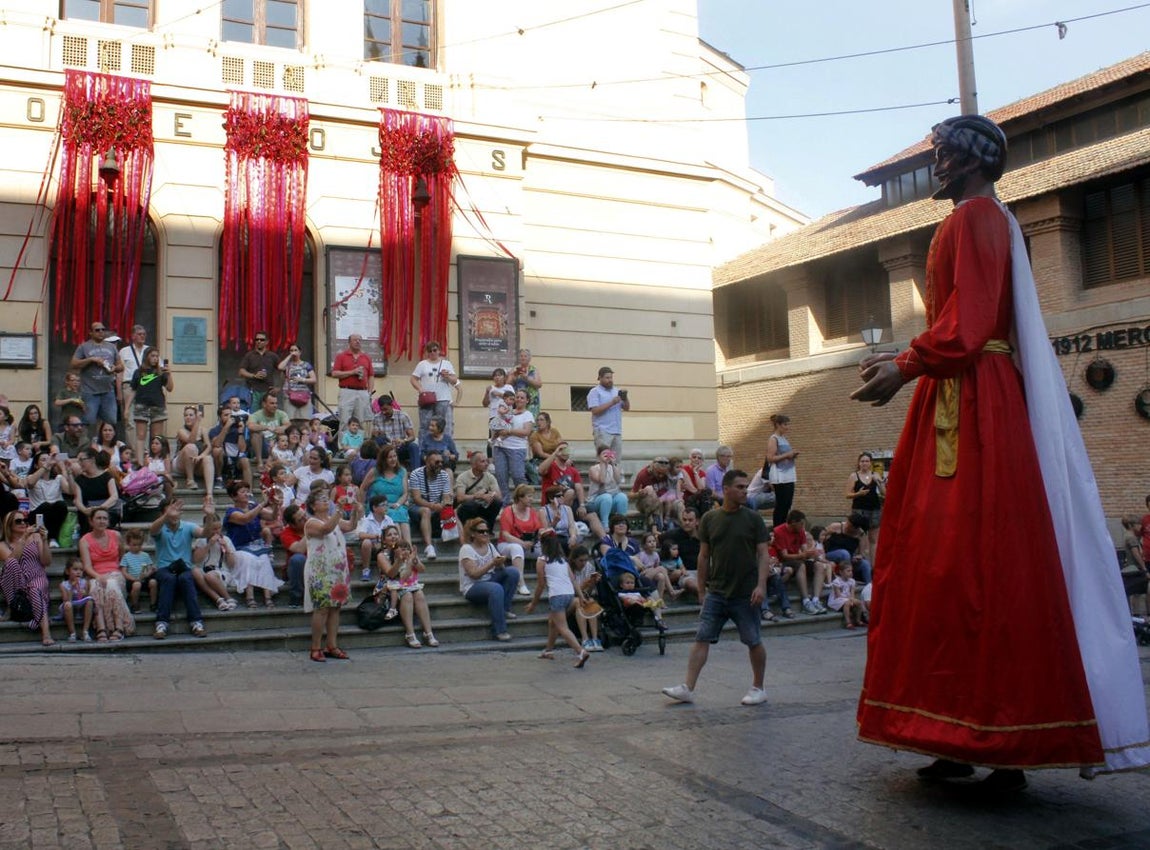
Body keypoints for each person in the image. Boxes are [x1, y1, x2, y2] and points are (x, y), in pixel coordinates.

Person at [850, 114, 1150, 785]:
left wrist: (907, 365)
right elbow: (961, 321)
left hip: (971, 400)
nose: (937, 165)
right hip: (962, 390)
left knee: (971, 566)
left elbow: (972, 321)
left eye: (944, 154)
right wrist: (907, 358)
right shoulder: (978, 220)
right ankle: (968, 735)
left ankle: (993, 737)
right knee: (957, 569)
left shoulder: (977, 218)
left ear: (970, 161)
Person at [662, 469, 770, 707]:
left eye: (746, 487)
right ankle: (688, 687)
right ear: (726, 489)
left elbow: (764, 554)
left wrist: (761, 585)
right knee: (702, 637)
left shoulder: (753, 519)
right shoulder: (710, 519)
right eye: (740, 487)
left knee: (753, 640)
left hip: (746, 592)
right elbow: (703, 556)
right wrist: (702, 589)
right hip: (717, 591)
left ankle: (758, 687)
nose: (745, 491)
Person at [303, 487, 358, 662]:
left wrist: (355, 510)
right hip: (320, 570)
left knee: (336, 607)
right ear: (313, 506)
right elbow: (326, 529)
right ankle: (315, 647)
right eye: (321, 499)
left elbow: (350, 526)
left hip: (337, 569)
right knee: (322, 608)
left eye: (327, 499)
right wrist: (339, 510)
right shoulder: (311, 523)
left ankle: (332, 645)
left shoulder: (333, 518)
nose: (326, 501)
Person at [526, 531, 590, 667]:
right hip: (569, 593)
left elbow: (541, 585)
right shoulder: (563, 561)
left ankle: (580, 652)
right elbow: (573, 580)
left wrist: (533, 603)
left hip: (556, 595)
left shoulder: (542, 560)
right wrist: (581, 596)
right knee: (553, 622)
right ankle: (548, 650)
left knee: (562, 628)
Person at [148, 498, 207, 639]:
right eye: (170, 510)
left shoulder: (188, 526)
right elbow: (152, 530)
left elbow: (205, 533)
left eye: (177, 510)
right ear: (163, 513)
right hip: (164, 568)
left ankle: (196, 622)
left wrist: (209, 516)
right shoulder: (160, 526)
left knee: (186, 578)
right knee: (169, 579)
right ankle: (162, 623)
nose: (174, 514)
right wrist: (166, 516)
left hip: (184, 567)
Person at [458, 517, 520, 642]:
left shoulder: (490, 546)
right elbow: (474, 574)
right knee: (496, 588)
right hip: (472, 586)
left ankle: (504, 609)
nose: (485, 533)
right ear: (473, 534)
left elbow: (500, 568)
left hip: (489, 580)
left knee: (513, 572)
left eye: (487, 531)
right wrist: (492, 563)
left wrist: (501, 563)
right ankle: (499, 630)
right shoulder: (466, 549)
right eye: (481, 531)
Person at [0, 509, 55, 645]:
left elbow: (46, 562)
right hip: (17, 582)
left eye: (25, 520)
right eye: (18, 521)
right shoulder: (3, 545)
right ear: (9, 525)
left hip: (36, 577)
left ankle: (46, 632)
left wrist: (44, 540)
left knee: (35, 590)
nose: (23, 523)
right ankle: (13, 605)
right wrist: (23, 539)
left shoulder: (36, 537)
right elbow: (12, 561)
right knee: (11, 563)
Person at [79, 507, 133, 642]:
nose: (102, 521)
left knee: (112, 585)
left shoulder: (116, 535)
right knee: (95, 587)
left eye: (105, 518)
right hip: (95, 574)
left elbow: (122, 558)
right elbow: (87, 566)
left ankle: (119, 627)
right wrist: (98, 576)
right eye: (98, 518)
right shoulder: (84, 540)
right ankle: (101, 628)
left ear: (108, 521)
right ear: (91, 521)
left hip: (115, 573)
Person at [378, 537, 438, 648]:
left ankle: (428, 633)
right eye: (401, 548)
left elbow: (422, 569)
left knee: (419, 594)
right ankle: (410, 634)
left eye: (406, 548)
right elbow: (396, 576)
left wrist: (415, 560)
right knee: (407, 595)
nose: (405, 551)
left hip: (410, 586)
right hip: (393, 590)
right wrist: (401, 561)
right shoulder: (385, 556)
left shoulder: (411, 557)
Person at [70, 321, 123, 430]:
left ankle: (105, 441)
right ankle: (88, 441)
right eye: (97, 330)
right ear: (91, 332)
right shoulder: (84, 347)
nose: (101, 332)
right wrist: (91, 360)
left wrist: (114, 368)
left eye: (103, 329)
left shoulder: (111, 347)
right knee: (88, 422)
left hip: (108, 391)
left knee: (111, 422)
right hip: (90, 392)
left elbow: (121, 366)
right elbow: (73, 364)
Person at [774, 510, 827, 615]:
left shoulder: (801, 531)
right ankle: (806, 601)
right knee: (801, 565)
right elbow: (784, 556)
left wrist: (811, 553)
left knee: (819, 566)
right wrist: (803, 555)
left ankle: (816, 600)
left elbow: (804, 550)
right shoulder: (779, 531)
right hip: (784, 562)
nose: (803, 526)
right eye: (801, 524)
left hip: (798, 559)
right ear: (793, 522)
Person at [499, 483, 544, 597]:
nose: (532, 499)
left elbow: (538, 529)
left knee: (548, 550)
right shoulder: (508, 511)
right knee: (517, 548)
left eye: (532, 496)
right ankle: (521, 583)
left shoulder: (532, 511)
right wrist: (522, 543)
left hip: (528, 545)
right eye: (529, 496)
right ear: (520, 497)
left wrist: (540, 535)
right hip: (507, 544)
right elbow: (506, 535)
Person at [410, 340, 459, 443]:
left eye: (435, 350)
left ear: (439, 351)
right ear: (427, 352)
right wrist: (420, 389)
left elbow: (455, 380)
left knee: (445, 425)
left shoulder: (446, 363)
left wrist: (447, 376)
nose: (432, 352)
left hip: (443, 398)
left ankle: (445, 448)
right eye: (430, 350)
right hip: (427, 399)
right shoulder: (422, 364)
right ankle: (424, 448)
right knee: (425, 425)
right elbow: (413, 379)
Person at [408, 449, 453, 562]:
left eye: (441, 462)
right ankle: (429, 546)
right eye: (437, 462)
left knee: (454, 511)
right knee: (426, 511)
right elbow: (417, 499)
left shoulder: (444, 475)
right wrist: (433, 506)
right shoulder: (416, 474)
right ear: (427, 462)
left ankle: (461, 543)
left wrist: (444, 504)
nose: (440, 464)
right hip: (417, 508)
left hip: (436, 506)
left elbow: (446, 497)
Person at [360, 445, 411, 542]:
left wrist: (398, 504)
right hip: (379, 506)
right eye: (390, 457)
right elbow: (362, 488)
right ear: (384, 459)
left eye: (395, 456)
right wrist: (362, 505)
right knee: (393, 514)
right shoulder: (375, 472)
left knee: (401, 512)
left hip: (397, 504)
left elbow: (405, 493)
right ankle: (398, 545)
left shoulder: (402, 471)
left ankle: (409, 547)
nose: (393, 459)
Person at [129, 347, 172, 460]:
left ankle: (155, 462)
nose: (155, 358)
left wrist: (169, 374)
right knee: (140, 435)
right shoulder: (138, 372)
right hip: (141, 405)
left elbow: (170, 388)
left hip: (157, 406)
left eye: (157, 356)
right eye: (152, 356)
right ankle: (140, 462)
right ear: (146, 357)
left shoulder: (160, 372)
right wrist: (126, 408)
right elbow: (133, 390)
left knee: (156, 438)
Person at [490, 389, 534, 500]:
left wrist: (509, 431)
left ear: (527, 400)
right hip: (500, 447)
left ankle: (523, 499)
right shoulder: (507, 411)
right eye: (517, 397)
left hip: (517, 448)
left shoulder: (528, 414)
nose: (519, 399)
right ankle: (505, 502)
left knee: (517, 475)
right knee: (501, 476)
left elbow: (526, 432)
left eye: (522, 398)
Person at [25, 452, 72, 547]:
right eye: (43, 460)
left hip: (54, 514)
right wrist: (46, 466)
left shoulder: (58, 478)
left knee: (61, 504)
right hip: (37, 515)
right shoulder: (31, 477)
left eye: (49, 459)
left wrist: (67, 471)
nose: (48, 462)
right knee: (46, 505)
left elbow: (70, 491)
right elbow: (30, 483)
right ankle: (46, 538)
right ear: (36, 465)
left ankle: (52, 538)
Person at [332, 333, 374, 438]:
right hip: (347, 391)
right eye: (355, 340)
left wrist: (369, 392)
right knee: (345, 421)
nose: (358, 342)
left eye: (359, 340)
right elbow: (335, 373)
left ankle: (358, 446)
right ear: (349, 342)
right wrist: (352, 372)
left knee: (360, 421)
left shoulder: (366, 357)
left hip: (362, 392)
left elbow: (371, 376)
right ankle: (344, 446)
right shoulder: (341, 356)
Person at [174, 406, 216, 504]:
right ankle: (190, 480)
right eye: (186, 415)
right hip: (181, 464)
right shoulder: (181, 431)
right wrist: (197, 422)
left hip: (196, 461)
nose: (188, 417)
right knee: (191, 447)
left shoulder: (203, 430)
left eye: (191, 415)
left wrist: (201, 456)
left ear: (195, 416)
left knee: (208, 458)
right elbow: (191, 441)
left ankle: (209, 494)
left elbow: (209, 447)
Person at [72, 449, 119, 535]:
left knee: (102, 518)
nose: (79, 463)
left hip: (106, 509)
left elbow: (114, 496)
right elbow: (77, 500)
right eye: (78, 460)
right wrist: (85, 510)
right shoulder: (79, 479)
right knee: (88, 519)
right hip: (87, 511)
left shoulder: (107, 476)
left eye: (82, 460)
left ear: (92, 459)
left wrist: (100, 508)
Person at [586, 366, 629, 460]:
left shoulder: (616, 391)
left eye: (611, 377)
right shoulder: (595, 392)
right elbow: (595, 411)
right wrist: (612, 402)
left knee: (616, 461)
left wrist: (625, 398)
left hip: (617, 431)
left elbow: (627, 408)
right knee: (603, 460)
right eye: (607, 378)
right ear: (600, 378)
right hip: (603, 431)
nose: (610, 380)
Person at [845, 452, 884, 551]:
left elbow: (884, 493)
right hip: (859, 510)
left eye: (867, 461)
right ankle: (862, 557)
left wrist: (879, 482)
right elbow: (847, 494)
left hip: (874, 510)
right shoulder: (854, 476)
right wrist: (858, 494)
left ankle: (872, 561)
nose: (864, 463)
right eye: (862, 461)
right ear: (859, 463)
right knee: (861, 536)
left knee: (873, 539)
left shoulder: (875, 475)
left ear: (870, 463)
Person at [209, 400, 252, 487]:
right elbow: (217, 444)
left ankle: (249, 491)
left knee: (245, 460)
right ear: (220, 417)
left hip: (236, 459)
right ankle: (219, 478)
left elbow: (242, 449)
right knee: (216, 450)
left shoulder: (236, 429)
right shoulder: (214, 430)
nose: (229, 418)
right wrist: (226, 428)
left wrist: (240, 432)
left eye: (230, 415)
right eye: (226, 415)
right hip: (223, 461)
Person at [454, 451, 502, 529]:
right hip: (467, 509)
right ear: (473, 464)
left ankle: (488, 529)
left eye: (487, 461)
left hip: (483, 507)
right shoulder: (462, 477)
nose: (486, 464)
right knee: (471, 505)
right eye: (483, 461)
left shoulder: (490, 476)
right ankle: (467, 530)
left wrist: (490, 495)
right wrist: (477, 496)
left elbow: (499, 496)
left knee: (497, 502)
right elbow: (460, 498)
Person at [765, 415, 798, 528]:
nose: (787, 427)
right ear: (778, 425)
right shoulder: (773, 439)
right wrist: (787, 455)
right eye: (785, 424)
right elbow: (770, 458)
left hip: (788, 475)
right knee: (781, 505)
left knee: (787, 504)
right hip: (780, 476)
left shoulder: (784, 438)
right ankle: (778, 528)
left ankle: (783, 527)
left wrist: (792, 456)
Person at [372, 394, 420, 471]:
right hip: (386, 449)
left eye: (386, 409)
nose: (384, 412)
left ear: (391, 406)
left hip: (400, 448)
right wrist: (375, 434)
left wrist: (403, 441)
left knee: (413, 446)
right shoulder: (377, 418)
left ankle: (416, 473)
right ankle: (380, 470)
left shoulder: (403, 416)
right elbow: (376, 438)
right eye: (382, 410)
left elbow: (412, 436)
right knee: (378, 440)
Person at [586, 446, 626, 537]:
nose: (607, 456)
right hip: (595, 500)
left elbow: (618, 480)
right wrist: (603, 464)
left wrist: (613, 464)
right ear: (598, 456)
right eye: (604, 454)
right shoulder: (593, 469)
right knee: (606, 497)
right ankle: (605, 525)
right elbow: (602, 480)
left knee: (622, 497)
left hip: (611, 499)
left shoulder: (614, 468)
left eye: (609, 454)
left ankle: (622, 522)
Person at [568, 545, 602, 651]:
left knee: (590, 601)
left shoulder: (589, 567)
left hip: (583, 597)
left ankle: (595, 638)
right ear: (574, 560)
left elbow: (588, 593)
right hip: (569, 600)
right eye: (581, 560)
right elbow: (569, 593)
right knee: (579, 601)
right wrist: (583, 584)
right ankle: (585, 638)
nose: (583, 563)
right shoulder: (568, 569)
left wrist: (592, 583)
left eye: (585, 560)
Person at [248, 391, 291, 474]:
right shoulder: (256, 415)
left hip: (277, 445)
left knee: (287, 433)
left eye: (276, 403)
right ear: (264, 404)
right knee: (255, 434)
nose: (275, 406)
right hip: (262, 446)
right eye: (272, 403)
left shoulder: (281, 413)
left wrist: (282, 428)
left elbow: (288, 424)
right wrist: (266, 427)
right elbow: (250, 426)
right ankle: (260, 462)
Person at [355, 495, 396, 581]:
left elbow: (394, 533)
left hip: (385, 546)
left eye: (387, 505)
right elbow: (361, 535)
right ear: (374, 508)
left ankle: (390, 570)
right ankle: (366, 570)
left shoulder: (389, 519)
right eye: (383, 505)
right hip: (372, 547)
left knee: (394, 542)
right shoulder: (367, 520)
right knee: (366, 542)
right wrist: (376, 536)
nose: (386, 507)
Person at [277, 342, 317, 428]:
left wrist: (302, 379)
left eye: (295, 350)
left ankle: (305, 436)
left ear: (300, 352)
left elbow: (314, 379)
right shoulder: (287, 365)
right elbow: (280, 367)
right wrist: (289, 356)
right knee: (289, 421)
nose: (293, 352)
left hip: (304, 396)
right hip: (289, 395)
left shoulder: (306, 365)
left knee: (306, 421)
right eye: (291, 350)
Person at [238, 330, 280, 410]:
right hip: (253, 391)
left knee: (268, 415)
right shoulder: (249, 355)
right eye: (257, 339)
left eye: (262, 340)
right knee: (254, 415)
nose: (259, 341)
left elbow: (283, 371)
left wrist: (279, 387)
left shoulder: (272, 356)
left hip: (269, 391)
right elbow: (241, 372)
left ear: (267, 342)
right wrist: (254, 375)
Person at [119, 527, 156, 614]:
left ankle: (153, 604)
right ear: (128, 543)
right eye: (134, 545)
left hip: (144, 579)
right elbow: (124, 571)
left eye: (139, 545)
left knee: (153, 582)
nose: (137, 547)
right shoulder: (126, 557)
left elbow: (150, 568)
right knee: (137, 585)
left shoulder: (145, 555)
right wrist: (132, 578)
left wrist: (147, 573)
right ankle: (135, 605)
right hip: (132, 581)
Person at [117, 324, 150, 422]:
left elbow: (157, 370)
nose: (142, 336)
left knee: (145, 419)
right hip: (129, 386)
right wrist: (119, 393)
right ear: (133, 336)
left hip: (146, 385)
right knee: (129, 420)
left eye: (144, 334)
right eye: (139, 334)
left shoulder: (149, 350)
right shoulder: (124, 351)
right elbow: (119, 373)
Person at [279, 504, 308, 608]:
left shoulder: (314, 524)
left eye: (305, 515)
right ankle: (296, 597)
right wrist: (309, 531)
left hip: (316, 563)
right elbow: (299, 549)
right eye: (301, 519)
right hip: (299, 568)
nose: (306, 519)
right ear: (293, 525)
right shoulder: (286, 534)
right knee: (297, 559)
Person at [59, 557, 94, 642]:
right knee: (67, 605)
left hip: (81, 607)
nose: (78, 572)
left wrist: (84, 593)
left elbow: (87, 595)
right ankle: (72, 633)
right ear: (67, 571)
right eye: (75, 569)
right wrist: (72, 587)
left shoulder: (85, 582)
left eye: (81, 570)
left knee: (90, 601)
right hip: (70, 606)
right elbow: (66, 600)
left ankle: (85, 631)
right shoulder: (63, 585)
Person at [826, 557, 865, 629]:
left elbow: (852, 593)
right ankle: (848, 622)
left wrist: (852, 599)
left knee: (859, 602)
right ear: (841, 572)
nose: (851, 573)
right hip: (837, 600)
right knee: (847, 603)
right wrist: (849, 600)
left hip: (848, 599)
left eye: (851, 571)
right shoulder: (837, 582)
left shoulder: (852, 581)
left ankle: (858, 620)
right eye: (848, 571)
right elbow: (838, 595)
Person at [1121, 516, 1148, 615]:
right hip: (1135, 568)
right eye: (1138, 524)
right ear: (1131, 525)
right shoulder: (1131, 538)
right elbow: (1136, 554)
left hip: (1132, 567)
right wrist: (1144, 569)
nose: (1140, 526)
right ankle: (1139, 614)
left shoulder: (1128, 536)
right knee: (1138, 593)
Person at [510, 348, 542, 417]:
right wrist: (513, 377)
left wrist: (527, 378)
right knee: (518, 419)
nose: (523, 358)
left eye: (525, 356)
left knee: (531, 420)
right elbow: (507, 384)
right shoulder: (515, 369)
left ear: (529, 358)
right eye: (521, 356)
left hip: (532, 402)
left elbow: (539, 384)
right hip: (518, 401)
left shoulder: (533, 369)